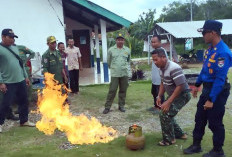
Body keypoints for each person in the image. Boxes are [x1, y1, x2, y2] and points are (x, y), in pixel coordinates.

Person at [184, 20, 231, 157]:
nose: (203, 35)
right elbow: (205, 71)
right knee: (200, 118)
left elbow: (220, 79)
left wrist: (211, 99)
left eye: (204, 32)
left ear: (213, 33)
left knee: (215, 122)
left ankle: (218, 150)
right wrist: (197, 85)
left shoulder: (223, 53)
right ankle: (196, 145)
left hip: (219, 90)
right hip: (207, 88)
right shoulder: (210, 50)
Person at [152, 48, 191, 146]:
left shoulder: (174, 67)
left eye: (156, 59)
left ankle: (169, 140)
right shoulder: (161, 68)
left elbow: (180, 85)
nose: (154, 62)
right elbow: (163, 82)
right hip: (175, 94)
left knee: (165, 114)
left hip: (183, 94)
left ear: (164, 57)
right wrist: (159, 96)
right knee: (167, 113)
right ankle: (180, 134)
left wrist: (169, 101)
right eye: (153, 60)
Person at [0, 28, 35, 133]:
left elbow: (21, 64)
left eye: (13, 38)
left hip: (20, 80)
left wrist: (26, 76)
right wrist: (1, 82)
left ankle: (24, 121)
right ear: (3, 37)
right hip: (8, 82)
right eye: (10, 37)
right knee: (6, 104)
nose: (12, 40)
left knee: (24, 101)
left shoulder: (15, 48)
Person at [103, 33, 131, 114]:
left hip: (124, 73)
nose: (120, 41)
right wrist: (113, 68)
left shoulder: (127, 50)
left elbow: (128, 60)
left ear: (123, 41)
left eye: (121, 40)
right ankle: (107, 107)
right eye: (118, 39)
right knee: (112, 90)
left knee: (123, 90)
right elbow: (108, 62)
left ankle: (121, 106)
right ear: (116, 40)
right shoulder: (111, 50)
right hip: (115, 74)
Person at [148, 35, 167, 114]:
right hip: (155, 78)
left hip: (160, 77)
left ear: (159, 42)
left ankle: (161, 107)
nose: (153, 44)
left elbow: (165, 64)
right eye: (152, 42)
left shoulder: (161, 51)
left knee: (160, 93)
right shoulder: (154, 51)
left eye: (155, 42)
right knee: (154, 92)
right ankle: (156, 106)